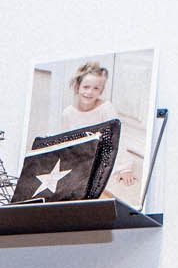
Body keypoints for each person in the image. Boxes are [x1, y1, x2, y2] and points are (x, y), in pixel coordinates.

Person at [59, 61, 139, 195]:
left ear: (101, 91)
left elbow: (119, 138)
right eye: (86, 87)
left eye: (96, 88)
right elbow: (66, 143)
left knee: (101, 183)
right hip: (81, 159)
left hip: (102, 156)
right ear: (77, 86)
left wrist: (125, 168)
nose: (89, 92)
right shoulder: (68, 113)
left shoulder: (106, 109)